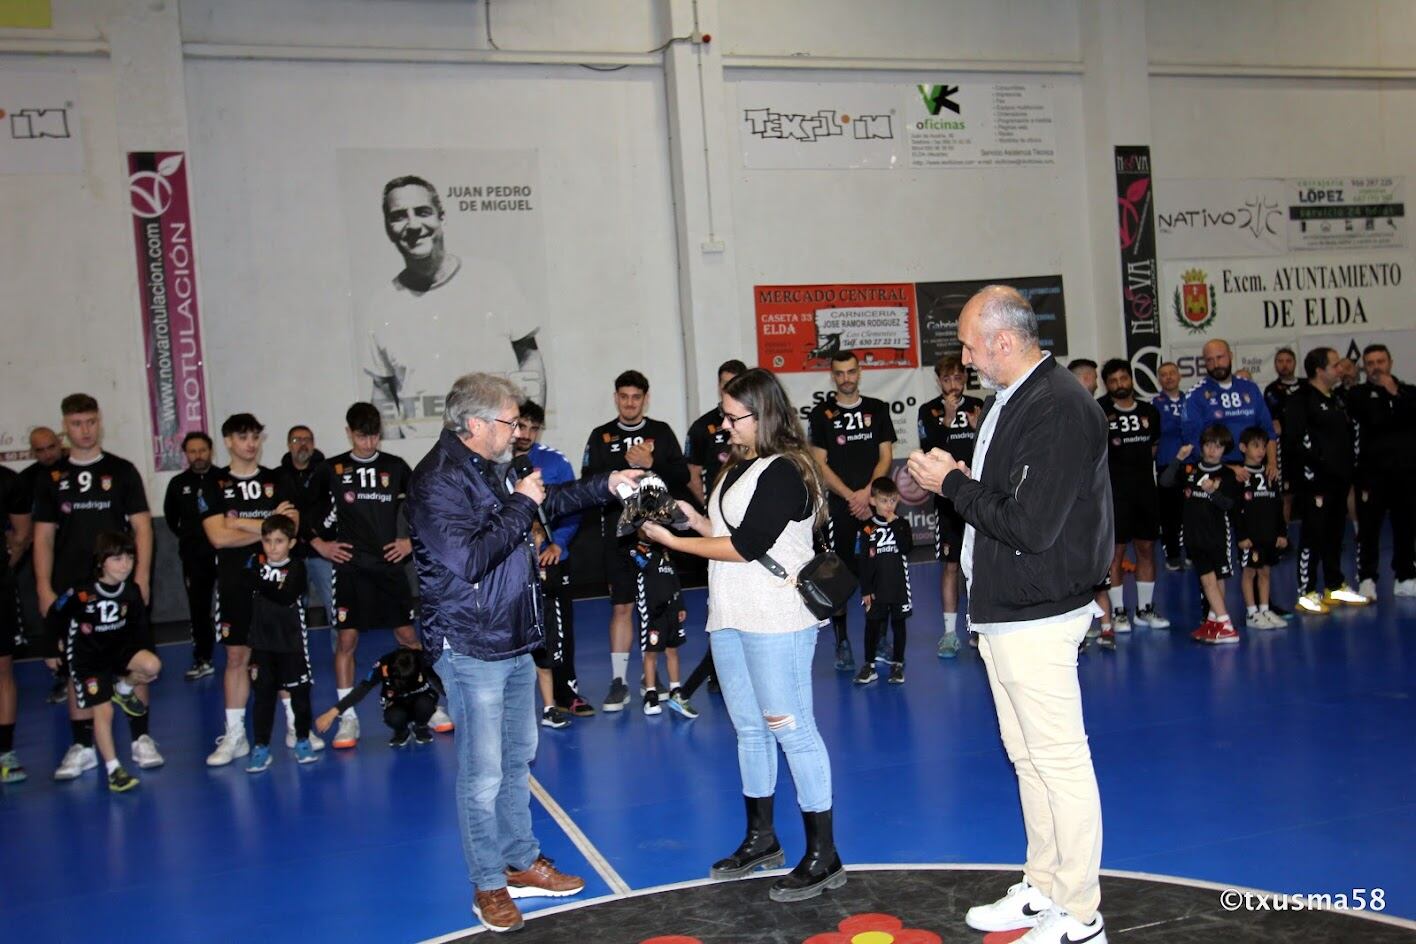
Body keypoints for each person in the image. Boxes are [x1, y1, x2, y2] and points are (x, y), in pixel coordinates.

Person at [907, 285, 1110, 944]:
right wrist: (958, 475)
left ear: (1001, 340)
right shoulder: (1012, 402)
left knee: (1059, 761)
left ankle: (1080, 914)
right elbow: (1009, 496)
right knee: (1028, 758)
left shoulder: (1056, 408)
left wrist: (952, 486)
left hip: (1038, 611)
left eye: (968, 344)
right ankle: (1046, 886)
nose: (964, 358)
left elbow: (1031, 524)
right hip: (1006, 607)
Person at [407, 372, 638, 933]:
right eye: (510, 422)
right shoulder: (435, 481)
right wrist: (518, 502)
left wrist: (608, 484)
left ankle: (519, 862)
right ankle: (488, 883)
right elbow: (470, 558)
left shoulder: (494, 465)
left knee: (516, 760)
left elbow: (548, 500)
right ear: (477, 425)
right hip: (469, 642)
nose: (518, 432)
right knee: (482, 773)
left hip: (512, 635)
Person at [642, 367, 845, 904]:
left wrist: (672, 542)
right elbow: (725, 532)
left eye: (734, 417)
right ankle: (762, 838)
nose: (724, 426)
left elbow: (747, 546)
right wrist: (689, 518)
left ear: (764, 413)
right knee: (750, 731)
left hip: (775, 618)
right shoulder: (738, 466)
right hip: (730, 614)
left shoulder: (786, 470)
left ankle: (824, 854)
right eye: (724, 416)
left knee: (792, 729)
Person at [35, 394, 162, 780]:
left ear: (99, 422)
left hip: (121, 587)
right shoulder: (52, 479)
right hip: (76, 589)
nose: (85, 430)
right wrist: (43, 587)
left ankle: (141, 738)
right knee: (80, 665)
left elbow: (142, 526)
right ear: (65, 427)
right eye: (76, 423)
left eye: (90, 421)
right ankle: (83, 744)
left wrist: (140, 578)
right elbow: (43, 538)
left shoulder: (121, 471)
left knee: (138, 656)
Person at [312, 403, 449, 749]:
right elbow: (303, 514)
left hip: (389, 570)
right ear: (348, 432)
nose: (368, 442)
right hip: (350, 571)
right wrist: (321, 545)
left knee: (408, 638)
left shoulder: (395, 467)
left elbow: (425, 507)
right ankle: (348, 718)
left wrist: (409, 542)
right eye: (361, 435)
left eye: (373, 435)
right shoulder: (331, 470)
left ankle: (429, 705)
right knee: (346, 642)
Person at [582, 370, 689, 712]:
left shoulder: (661, 432)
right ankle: (618, 682)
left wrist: (651, 463)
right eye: (624, 396)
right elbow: (589, 485)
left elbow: (683, 476)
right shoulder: (601, 436)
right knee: (622, 606)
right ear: (616, 397)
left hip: (658, 537)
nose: (630, 402)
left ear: (646, 398)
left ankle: (652, 677)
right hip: (619, 536)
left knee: (659, 606)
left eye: (636, 397)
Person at [199, 414, 302, 766]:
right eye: (243, 437)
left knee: (285, 656)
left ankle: (296, 728)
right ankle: (236, 735)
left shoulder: (278, 479)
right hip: (236, 585)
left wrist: (240, 522)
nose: (250, 443)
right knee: (236, 659)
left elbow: (291, 530)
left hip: (278, 584)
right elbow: (217, 536)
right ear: (228, 441)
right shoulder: (213, 484)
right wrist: (268, 526)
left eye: (255, 436)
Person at [48, 531, 160, 792]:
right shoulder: (82, 592)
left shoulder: (131, 591)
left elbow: (141, 629)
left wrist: (143, 654)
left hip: (118, 653)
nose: (125, 565)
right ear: (101, 562)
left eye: (129, 558)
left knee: (152, 666)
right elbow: (55, 615)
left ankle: (123, 689)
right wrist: (52, 649)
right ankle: (113, 769)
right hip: (88, 661)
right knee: (104, 711)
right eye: (117, 559)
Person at [807, 350, 896, 672]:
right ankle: (841, 641)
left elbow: (885, 456)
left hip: (875, 505)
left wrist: (868, 494)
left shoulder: (877, 409)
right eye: (840, 373)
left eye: (851, 372)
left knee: (882, 571)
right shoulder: (821, 414)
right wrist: (851, 497)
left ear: (860, 372)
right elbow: (819, 462)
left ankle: (881, 639)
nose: (846, 378)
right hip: (842, 508)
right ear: (833, 376)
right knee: (838, 576)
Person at [512, 400, 592, 720]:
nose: (527, 434)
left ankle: (565, 692)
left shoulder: (554, 462)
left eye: (534, 428)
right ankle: (515, 702)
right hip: (511, 564)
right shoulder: (494, 461)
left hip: (551, 561)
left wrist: (557, 543)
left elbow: (572, 507)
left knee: (558, 629)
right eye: (522, 427)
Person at [1285, 347, 1369, 613]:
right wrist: (1317, 464)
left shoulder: (1336, 398)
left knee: (1334, 534)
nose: (1340, 369)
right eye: (1334, 365)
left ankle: (1334, 585)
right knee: (1312, 535)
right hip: (1315, 481)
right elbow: (1293, 440)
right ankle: (1306, 592)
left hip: (1339, 480)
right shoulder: (1301, 399)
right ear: (1319, 370)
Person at [917, 354, 983, 659]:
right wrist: (946, 417)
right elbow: (931, 449)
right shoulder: (928, 410)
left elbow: (992, 448)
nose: (953, 385)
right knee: (951, 565)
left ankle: (980, 629)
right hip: (946, 499)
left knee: (980, 566)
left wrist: (978, 426)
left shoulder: (981, 406)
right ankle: (948, 633)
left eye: (958, 378)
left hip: (979, 493)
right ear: (939, 381)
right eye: (947, 379)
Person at [242, 515, 318, 772]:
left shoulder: (296, 567)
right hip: (262, 644)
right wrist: (261, 582)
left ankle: (303, 739)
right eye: (267, 541)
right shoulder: (255, 565)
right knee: (262, 697)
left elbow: (286, 595)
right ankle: (261, 746)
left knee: (300, 695)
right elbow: (248, 584)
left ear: (291, 542)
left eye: (279, 541)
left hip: (291, 643)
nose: (272, 547)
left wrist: (259, 583)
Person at [1097, 359, 1168, 635]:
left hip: (1144, 492)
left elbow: (1153, 448)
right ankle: (1118, 611)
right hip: (1115, 493)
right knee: (1115, 553)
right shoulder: (1100, 411)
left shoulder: (1150, 411)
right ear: (1107, 384)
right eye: (1113, 381)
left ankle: (1145, 609)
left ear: (1131, 379)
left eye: (1123, 378)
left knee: (1147, 549)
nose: (1119, 385)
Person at [1160, 429, 1242, 643]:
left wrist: (1212, 492)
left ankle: (1225, 625)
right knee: (1209, 580)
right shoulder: (1191, 468)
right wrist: (1178, 458)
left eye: (1218, 446)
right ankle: (1215, 622)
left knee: (1213, 580)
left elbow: (1229, 504)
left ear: (1225, 449)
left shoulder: (1226, 474)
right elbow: (1165, 482)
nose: (1212, 450)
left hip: (1216, 536)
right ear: (1202, 445)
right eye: (1208, 444)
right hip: (1192, 536)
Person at [1348, 344, 1416, 598]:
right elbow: (1375, 420)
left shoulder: (1409, 391)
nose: (1376, 367)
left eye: (1381, 361)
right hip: (1371, 474)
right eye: (1371, 362)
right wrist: (1389, 400)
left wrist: (1395, 394)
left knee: (1406, 526)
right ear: (1364, 366)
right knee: (1368, 529)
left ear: (1390, 362)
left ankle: (1406, 575)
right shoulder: (1358, 395)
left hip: (1406, 472)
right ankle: (1367, 577)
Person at [164, 432, 219, 680]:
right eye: (193, 451)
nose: (198, 456)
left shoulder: (224, 479)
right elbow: (171, 519)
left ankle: (249, 659)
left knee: (238, 605)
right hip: (195, 557)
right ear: (186, 454)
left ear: (211, 451)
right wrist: (193, 537)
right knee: (199, 609)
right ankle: (203, 658)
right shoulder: (177, 484)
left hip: (227, 554)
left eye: (202, 450)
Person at [316, 648, 446, 747]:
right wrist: (332, 713)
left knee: (426, 704)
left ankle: (421, 726)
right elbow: (363, 688)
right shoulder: (383, 664)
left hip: (421, 698)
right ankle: (401, 731)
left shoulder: (423, 659)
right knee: (394, 717)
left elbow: (439, 682)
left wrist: (458, 703)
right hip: (396, 702)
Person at [1181, 338, 1277, 470]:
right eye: (1210, 360)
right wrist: (1228, 468)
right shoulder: (1195, 395)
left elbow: (1269, 431)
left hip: (1254, 467)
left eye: (1220, 357)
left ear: (1231, 356)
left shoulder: (1250, 388)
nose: (1216, 364)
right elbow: (1192, 442)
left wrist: (1272, 463)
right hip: (1216, 471)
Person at [854, 477, 912, 685]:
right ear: (872, 501)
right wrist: (865, 590)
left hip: (898, 587)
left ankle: (897, 664)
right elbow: (863, 562)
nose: (889, 505)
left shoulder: (902, 524)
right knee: (872, 625)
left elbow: (906, 547)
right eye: (884, 501)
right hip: (876, 590)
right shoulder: (867, 528)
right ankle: (869, 665)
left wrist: (894, 523)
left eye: (893, 501)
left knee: (899, 625)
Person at [1233, 427, 1288, 628]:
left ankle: (1265, 609)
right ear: (1243, 448)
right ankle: (1251, 613)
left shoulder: (1269, 474)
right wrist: (1241, 536)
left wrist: (1281, 532)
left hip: (1269, 535)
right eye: (1255, 446)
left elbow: (1278, 506)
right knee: (1249, 573)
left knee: (1265, 572)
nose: (1261, 451)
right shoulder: (1240, 477)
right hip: (1251, 537)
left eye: (1264, 447)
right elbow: (1236, 510)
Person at [632, 538, 693, 716]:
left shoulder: (667, 556)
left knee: (672, 650)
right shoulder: (638, 553)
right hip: (653, 614)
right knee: (651, 653)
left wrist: (680, 605)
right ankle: (651, 693)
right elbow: (641, 563)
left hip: (671, 612)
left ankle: (675, 690)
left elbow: (675, 581)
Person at [280, 425, 331, 632]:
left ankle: (341, 657)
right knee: (292, 610)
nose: (302, 444)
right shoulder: (278, 477)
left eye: (307, 439)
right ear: (288, 445)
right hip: (291, 555)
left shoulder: (327, 473)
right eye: (296, 440)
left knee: (336, 609)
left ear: (313, 444)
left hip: (322, 552)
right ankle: (295, 660)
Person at [0, 463, 30, 782]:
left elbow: (22, 533)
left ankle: (4, 752)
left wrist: (5, 565)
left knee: (3, 667)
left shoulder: (8, 480)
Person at [1152, 361, 1187, 570]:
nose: (1169, 377)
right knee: (1170, 513)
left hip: (1191, 463)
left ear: (1179, 375)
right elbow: (1163, 428)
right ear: (1159, 380)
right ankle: (1172, 554)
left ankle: (1192, 552)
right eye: (1163, 375)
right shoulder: (1155, 403)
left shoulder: (1190, 399)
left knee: (1192, 511)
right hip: (1167, 462)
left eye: (1172, 373)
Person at [1264, 347, 1302, 522]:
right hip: (1285, 450)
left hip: (1309, 448)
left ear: (1294, 363)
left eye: (1288, 361)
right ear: (1275, 365)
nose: (1284, 365)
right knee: (1285, 495)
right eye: (1280, 361)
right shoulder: (1272, 390)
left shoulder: (1306, 386)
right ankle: (1283, 537)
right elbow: (1274, 424)